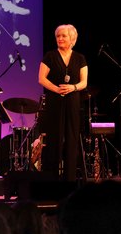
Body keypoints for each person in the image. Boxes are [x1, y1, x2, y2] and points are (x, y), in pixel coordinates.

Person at [38, 24, 88, 182]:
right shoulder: (50, 56)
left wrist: (73, 87)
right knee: (54, 139)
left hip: (73, 101)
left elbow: (84, 82)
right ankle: (51, 181)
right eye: (58, 36)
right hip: (55, 101)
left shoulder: (79, 58)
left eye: (63, 36)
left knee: (72, 139)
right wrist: (56, 89)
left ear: (72, 38)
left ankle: (69, 181)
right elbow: (41, 79)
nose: (60, 38)